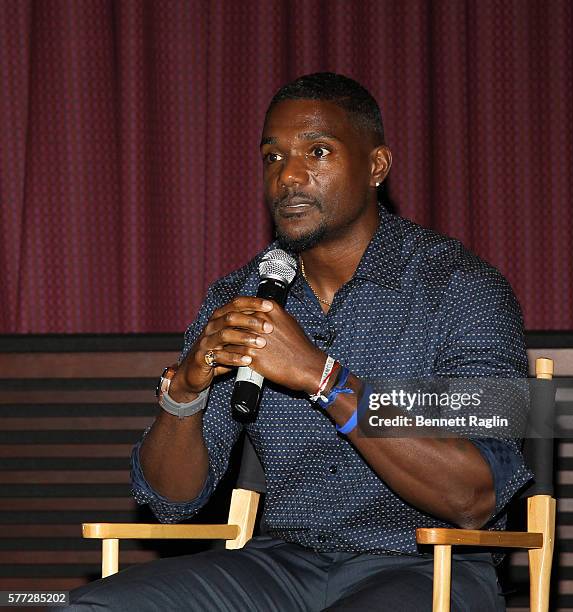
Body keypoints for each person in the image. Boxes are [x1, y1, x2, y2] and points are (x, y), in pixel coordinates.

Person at [63, 73, 532, 611]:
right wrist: (186, 392)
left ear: (376, 166)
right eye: (272, 157)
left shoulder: (464, 288)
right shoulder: (240, 296)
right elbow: (172, 502)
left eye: (318, 151)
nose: (288, 176)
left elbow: (476, 494)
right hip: (282, 565)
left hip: (430, 565)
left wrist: (322, 378)